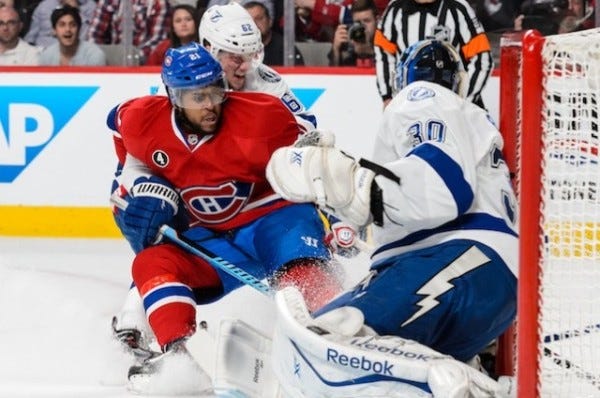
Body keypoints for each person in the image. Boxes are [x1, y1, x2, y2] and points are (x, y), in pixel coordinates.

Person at [266, 39, 518, 396]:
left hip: (456, 258)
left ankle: (452, 383)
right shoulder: (471, 121)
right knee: (320, 332)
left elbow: (441, 185)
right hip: (482, 283)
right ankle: (464, 376)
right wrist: (345, 211)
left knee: (333, 339)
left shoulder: (422, 97)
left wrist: (351, 183)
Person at [108, 42, 343, 394]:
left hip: (273, 219)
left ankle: (339, 335)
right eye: (197, 97)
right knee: (150, 261)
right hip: (212, 238)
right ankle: (179, 355)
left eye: (215, 92)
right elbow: (120, 134)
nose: (210, 105)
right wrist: (140, 184)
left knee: (302, 271)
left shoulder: (264, 115)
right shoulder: (141, 118)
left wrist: (338, 220)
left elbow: (316, 166)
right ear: (173, 96)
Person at [374, 0, 493, 109]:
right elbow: (383, 54)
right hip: (408, 107)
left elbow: (482, 59)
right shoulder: (395, 8)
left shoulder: (457, 7)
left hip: (452, 106)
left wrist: (462, 103)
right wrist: (388, 97)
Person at [86, 0, 171, 64]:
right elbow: (93, 34)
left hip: (143, 63)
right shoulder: (108, 1)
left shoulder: (159, 3)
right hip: (109, 60)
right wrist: (98, 56)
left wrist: (133, 58)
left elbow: (157, 41)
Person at [242, 0, 305, 66]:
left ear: (270, 21)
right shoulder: (237, 48)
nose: (254, 24)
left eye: (259, 18)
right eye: (248, 20)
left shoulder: (285, 49)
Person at [39, 5, 106, 65]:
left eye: (73, 25)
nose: (68, 29)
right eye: (62, 25)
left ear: (79, 29)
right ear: (54, 30)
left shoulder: (94, 55)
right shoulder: (46, 56)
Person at [24, 0, 96, 49]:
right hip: (42, 52)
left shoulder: (90, 6)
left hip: (74, 54)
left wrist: (75, 11)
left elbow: (87, 36)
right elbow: (30, 37)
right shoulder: (45, 5)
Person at [329, 0, 378, 67]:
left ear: (376, 21)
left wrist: (369, 52)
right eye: (357, 22)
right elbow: (332, 75)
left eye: (366, 21)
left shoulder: (385, 40)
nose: (362, 26)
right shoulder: (349, 41)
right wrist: (336, 49)